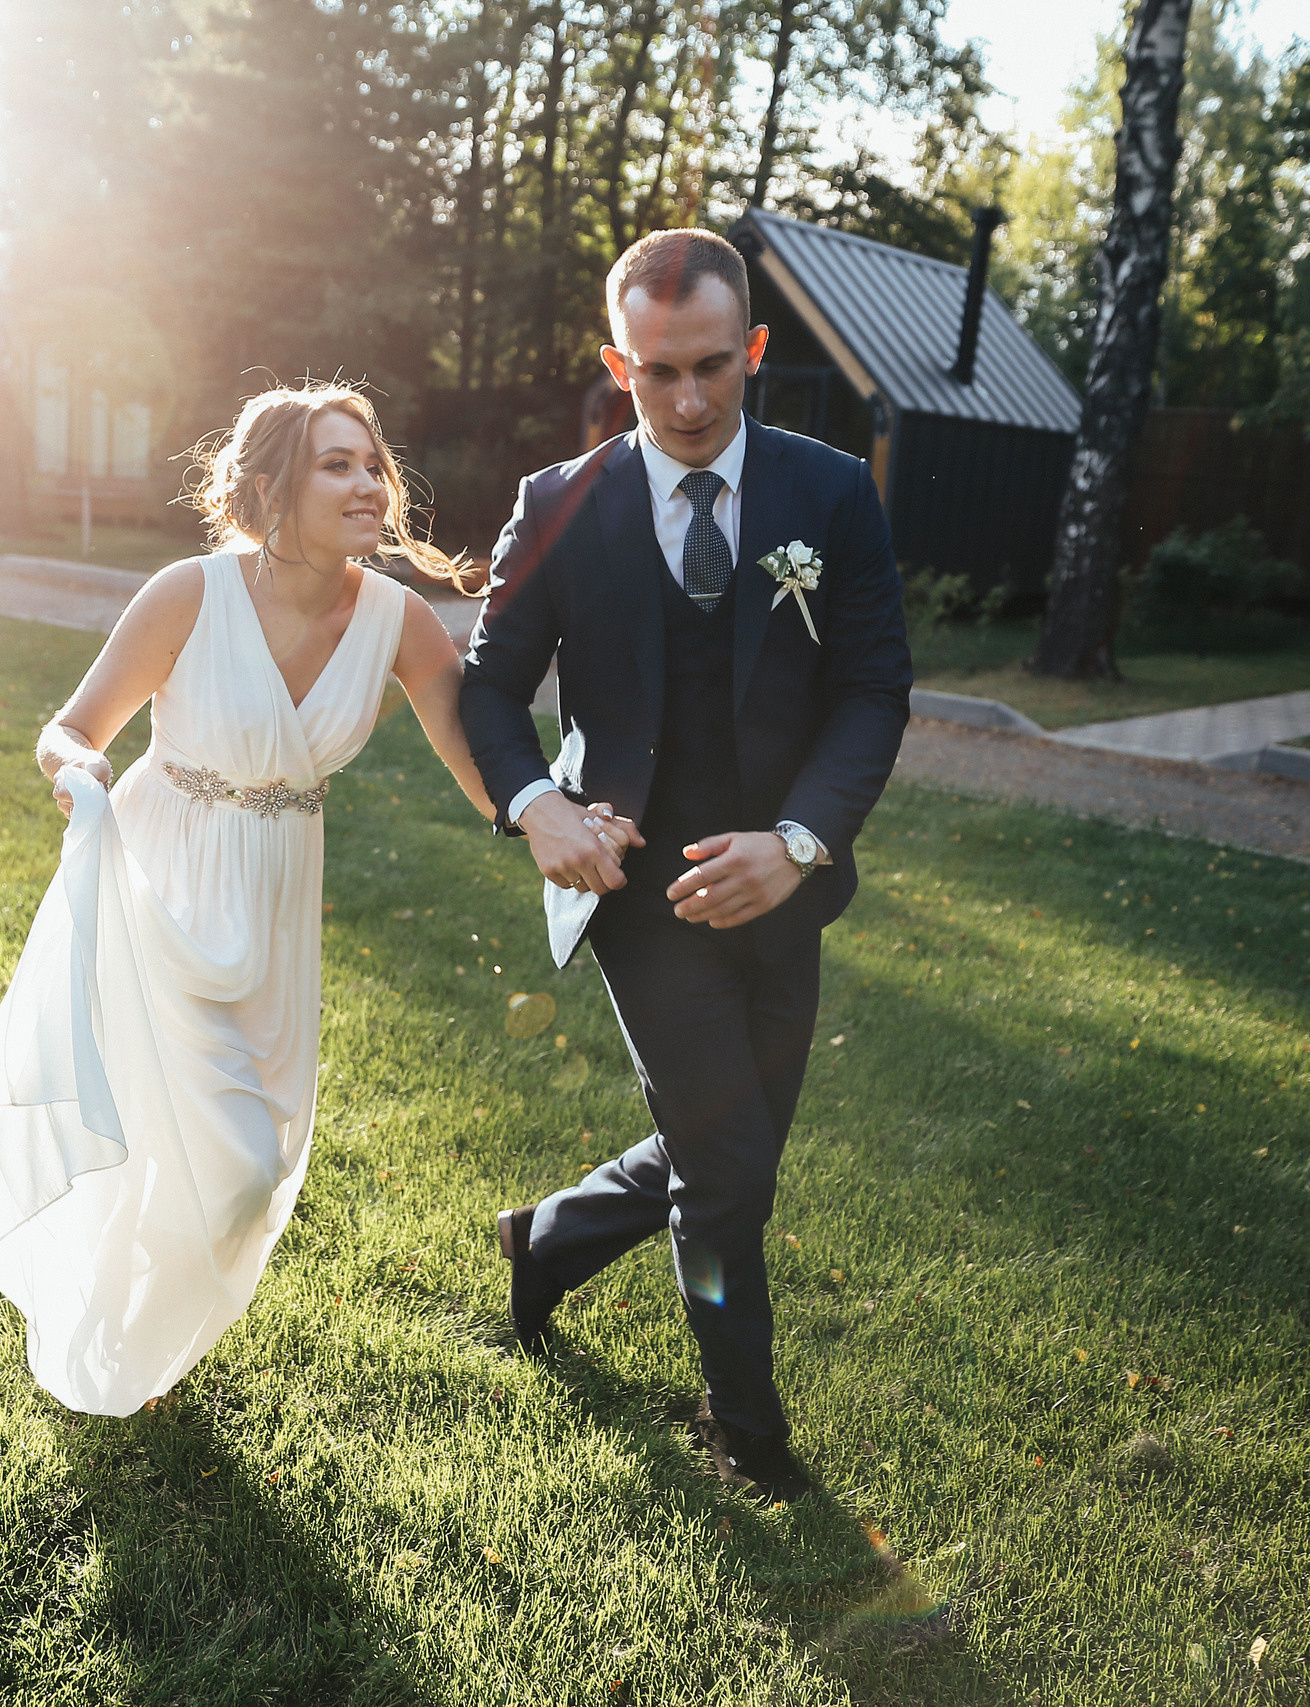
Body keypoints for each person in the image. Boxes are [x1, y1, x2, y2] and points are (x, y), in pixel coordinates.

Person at [0, 383, 633, 1416]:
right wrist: (74, 769)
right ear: (272, 488)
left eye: (372, 465)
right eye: (336, 465)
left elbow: (486, 771)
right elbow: (73, 726)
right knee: (206, 1155)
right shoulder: (189, 594)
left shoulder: (400, 622)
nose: (368, 484)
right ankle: (118, 1345)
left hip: (272, 909)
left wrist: (564, 818)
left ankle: (141, 1325)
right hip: (159, 888)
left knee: (247, 1165)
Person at [460, 229, 912, 1503]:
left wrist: (799, 844)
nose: (689, 399)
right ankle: (747, 1435)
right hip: (638, 893)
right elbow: (489, 690)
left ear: (752, 349)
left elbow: (873, 689)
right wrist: (536, 805)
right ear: (619, 364)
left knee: (737, 1145)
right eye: (657, 372)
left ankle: (545, 1242)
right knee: (726, 1172)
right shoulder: (560, 503)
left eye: (712, 365)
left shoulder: (830, 493)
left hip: (781, 885)